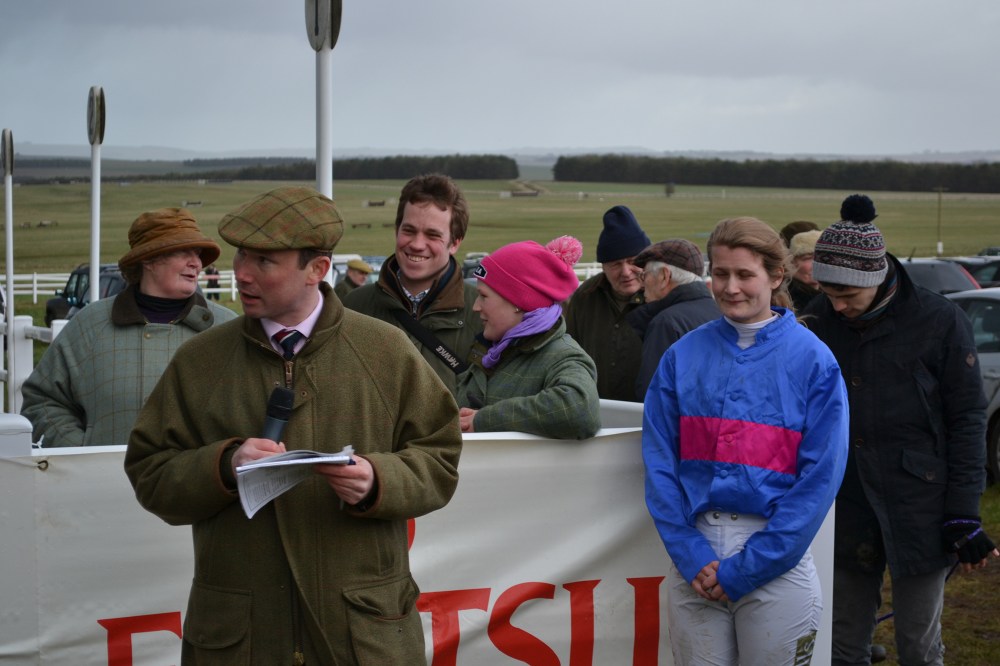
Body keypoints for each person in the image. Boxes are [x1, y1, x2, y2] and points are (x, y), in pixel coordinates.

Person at [124, 186, 462, 664]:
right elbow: (150, 472)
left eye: (264, 261)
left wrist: (377, 480)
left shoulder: (387, 352)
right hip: (241, 640)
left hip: (362, 637)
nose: (241, 273)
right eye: (242, 256)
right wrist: (223, 465)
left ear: (317, 270)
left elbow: (440, 458)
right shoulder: (199, 361)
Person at [643, 216, 849, 665]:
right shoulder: (682, 355)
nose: (730, 287)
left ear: (776, 276)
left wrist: (751, 566)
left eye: (744, 274)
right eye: (720, 274)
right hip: (695, 562)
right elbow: (659, 464)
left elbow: (820, 479)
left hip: (777, 562)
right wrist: (689, 552)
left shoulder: (815, 360)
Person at [802, 194, 998, 666]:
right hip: (845, 504)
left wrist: (963, 513)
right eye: (829, 295)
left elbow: (967, 421)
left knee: (919, 646)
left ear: (876, 278)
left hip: (923, 507)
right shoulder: (816, 319)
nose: (838, 306)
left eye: (848, 296)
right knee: (841, 645)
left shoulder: (939, 321)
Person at [21, 208, 236, 446]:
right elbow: (42, 400)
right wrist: (80, 451)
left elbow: (250, 409)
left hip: (197, 483)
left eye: (197, 253)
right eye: (183, 251)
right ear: (148, 259)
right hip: (103, 481)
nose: (196, 263)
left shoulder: (226, 328)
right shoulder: (91, 325)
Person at [342, 173, 481, 396]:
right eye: (409, 230)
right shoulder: (352, 307)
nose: (417, 244)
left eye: (432, 235)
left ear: (455, 243)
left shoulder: (483, 312)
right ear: (396, 230)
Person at [457, 236, 600, 439]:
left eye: (484, 296)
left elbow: (580, 408)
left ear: (518, 302)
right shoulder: (495, 349)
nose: (476, 306)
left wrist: (486, 421)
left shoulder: (563, 356)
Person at [564, 204, 650, 402]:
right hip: (595, 408)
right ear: (603, 266)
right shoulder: (585, 297)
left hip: (646, 413)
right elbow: (568, 352)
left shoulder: (662, 298)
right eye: (615, 264)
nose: (626, 271)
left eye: (632, 261)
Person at [626, 238, 720, 400]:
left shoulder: (666, 322)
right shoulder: (719, 312)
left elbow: (652, 393)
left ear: (664, 276)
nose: (642, 285)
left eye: (644, 275)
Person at [788, 229, 822, 312]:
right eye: (808, 258)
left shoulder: (832, 296)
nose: (817, 264)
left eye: (822, 258)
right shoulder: (788, 299)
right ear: (792, 263)